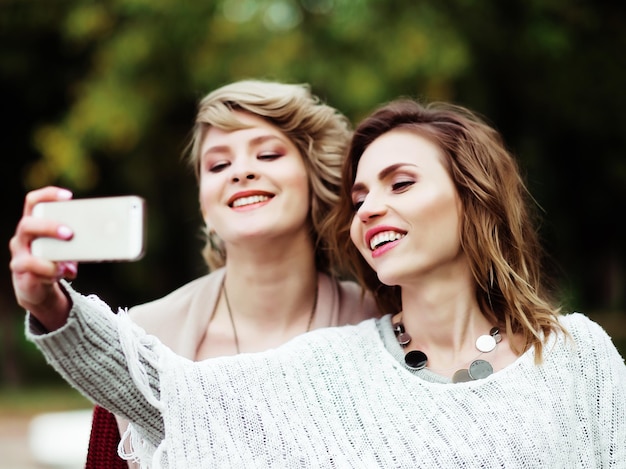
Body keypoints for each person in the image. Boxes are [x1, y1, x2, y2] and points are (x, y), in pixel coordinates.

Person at [12, 99, 625, 468]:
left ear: (475, 198)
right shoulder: (331, 364)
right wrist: (50, 303)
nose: (371, 209)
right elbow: (161, 394)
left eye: (401, 184)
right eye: (360, 196)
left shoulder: (578, 355)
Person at [12, 80, 380, 468]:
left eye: (268, 154)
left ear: (313, 177)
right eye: (219, 165)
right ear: (205, 205)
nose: (240, 172)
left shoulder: (383, 323)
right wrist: (47, 303)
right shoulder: (139, 337)